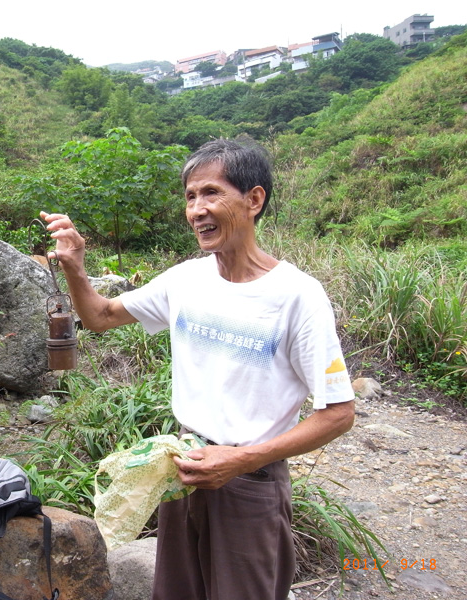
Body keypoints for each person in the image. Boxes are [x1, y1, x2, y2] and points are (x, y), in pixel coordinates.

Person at [41, 138, 355, 600]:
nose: (197, 210)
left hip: (250, 481)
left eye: (211, 193)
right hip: (183, 469)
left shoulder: (297, 295)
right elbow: (101, 317)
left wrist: (240, 460)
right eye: (190, 197)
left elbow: (339, 412)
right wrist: (75, 266)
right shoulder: (186, 278)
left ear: (254, 199)